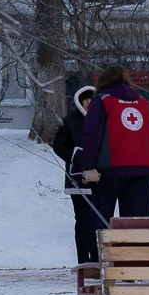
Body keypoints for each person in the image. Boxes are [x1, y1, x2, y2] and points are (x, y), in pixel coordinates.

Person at [78, 65, 149, 221]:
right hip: (143, 170)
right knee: (138, 225)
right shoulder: (143, 103)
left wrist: (87, 167)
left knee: (100, 222)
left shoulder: (102, 101)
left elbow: (92, 136)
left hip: (110, 170)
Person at [50, 83, 100, 263]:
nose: (88, 102)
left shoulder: (103, 119)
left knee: (98, 219)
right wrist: (74, 156)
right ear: (80, 101)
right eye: (85, 99)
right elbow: (58, 145)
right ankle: (83, 261)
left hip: (101, 177)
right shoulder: (71, 120)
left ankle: (97, 258)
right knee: (83, 219)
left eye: (91, 99)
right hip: (78, 178)